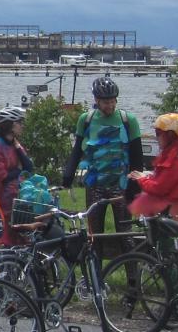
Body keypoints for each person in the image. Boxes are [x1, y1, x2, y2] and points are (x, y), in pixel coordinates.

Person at [62, 77, 144, 235]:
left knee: (125, 233)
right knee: (94, 233)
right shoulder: (86, 120)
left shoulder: (128, 120)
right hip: (95, 184)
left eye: (113, 101)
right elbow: (77, 149)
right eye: (106, 102)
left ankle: (128, 252)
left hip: (121, 184)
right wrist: (68, 174)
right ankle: (95, 252)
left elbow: (137, 156)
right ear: (97, 101)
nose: (110, 106)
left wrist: (135, 186)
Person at [0, 106, 32, 242]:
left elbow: (28, 167)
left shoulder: (13, 143)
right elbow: (2, 177)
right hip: (1, 200)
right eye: (19, 123)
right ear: (10, 126)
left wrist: (18, 148)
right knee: (6, 239)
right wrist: (19, 171)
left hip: (15, 198)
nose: (22, 126)